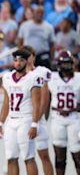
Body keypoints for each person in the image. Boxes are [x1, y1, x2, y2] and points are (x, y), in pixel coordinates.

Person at [0, 49, 42, 175]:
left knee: (28, 157)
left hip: (25, 119)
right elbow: (6, 102)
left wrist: (34, 124)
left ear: (26, 61)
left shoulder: (34, 78)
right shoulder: (7, 77)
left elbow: (36, 104)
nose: (18, 63)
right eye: (16, 60)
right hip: (11, 120)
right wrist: (0, 122)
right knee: (11, 157)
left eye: (21, 60)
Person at [22, 45, 54, 175]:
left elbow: (44, 99)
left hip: (38, 119)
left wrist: (36, 120)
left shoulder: (41, 72)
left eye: (29, 55)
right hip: (23, 119)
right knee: (28, 157)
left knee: (44, 154)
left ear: (34, 57)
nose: (27, 59)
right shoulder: (17, 74)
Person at [48, 51, 80, 175]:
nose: (66, 66)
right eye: (64, 63)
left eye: (68, 63)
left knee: (77, 155)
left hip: (74, 118)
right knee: (60, 156)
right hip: (57, 118)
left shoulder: (78, 78)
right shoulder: (52, 77)